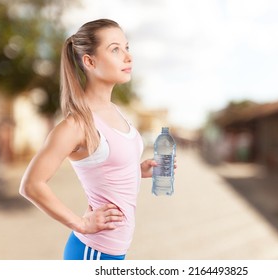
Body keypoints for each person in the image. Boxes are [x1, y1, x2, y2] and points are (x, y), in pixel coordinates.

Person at [19, 19, 173, 260]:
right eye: (115, 49)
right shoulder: (76, 125)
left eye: (127, 48)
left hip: (113, 252)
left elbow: (105, 164)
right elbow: (31, 185)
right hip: (94, 252)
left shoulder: (117, 112)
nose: (128, 57)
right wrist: (80, 223)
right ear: (89, 62)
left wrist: (137, 169)